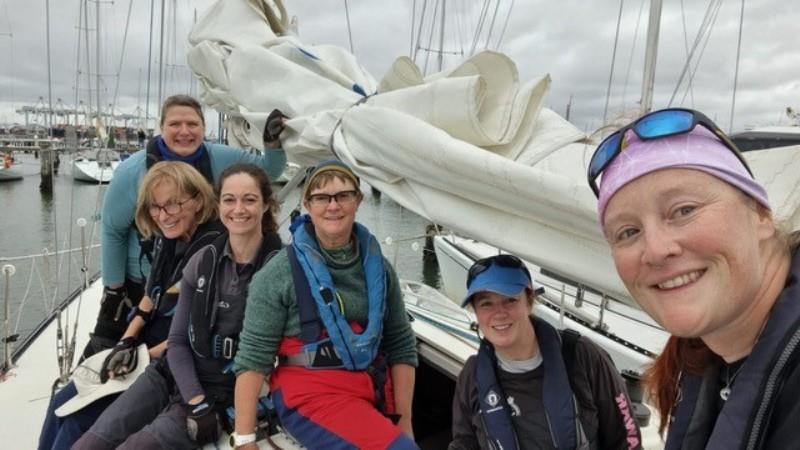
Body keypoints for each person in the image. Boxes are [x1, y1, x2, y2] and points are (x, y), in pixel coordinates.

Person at [588, 107, 800, 449]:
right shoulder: (701, 366)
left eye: (683, 210)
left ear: (760, 214)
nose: (655, 250)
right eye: (628, 232)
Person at [73, 163, 283, 449]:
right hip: (170, 375)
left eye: (250, 199)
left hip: (219, 390)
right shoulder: (202, 261)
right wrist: (193, 399)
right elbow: (179, 340)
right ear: (219, 204)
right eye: (229, 200)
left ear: (266, 205)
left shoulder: (279, 270)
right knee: (89, 444)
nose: (238, 209)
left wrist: (204, 405)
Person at [231, 160, 418, 449]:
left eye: (343, 195)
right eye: (321, 197)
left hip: (369, 387)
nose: (333, 206)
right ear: (307, 204)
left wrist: (405, 421)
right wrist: (244, 439)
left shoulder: (380, 269)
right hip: (311, 394)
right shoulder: (277, 275)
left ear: (359, 200)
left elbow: (400, 344)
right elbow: (253, 358)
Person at [38, 161, 224, 450]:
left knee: (76, 420)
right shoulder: (168, 240)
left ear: (198, 201)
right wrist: (126, 342)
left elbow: (196, 332)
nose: (163, 216)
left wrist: (141, 357)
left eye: (173, 205)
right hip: (141, 349)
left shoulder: (213, 251)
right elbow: (151, 297)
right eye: (155, 207)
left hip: (167, 358)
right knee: (60, 402)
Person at [87, 94, 287, 359]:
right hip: (141, 281)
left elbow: (267, 171)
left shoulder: (220, 158)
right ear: (161, 127)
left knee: (169, 344)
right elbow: (113, 230)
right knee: (101, 353)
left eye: (192, 124)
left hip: (195, 277)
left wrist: (272, 141)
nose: (184, 131)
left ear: (204, 129)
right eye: (175, 124)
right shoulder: (131, 173)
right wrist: (115, 289)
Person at [449, 254, 642, 450]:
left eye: (510, 300)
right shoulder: (472, 376)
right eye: (486, 303)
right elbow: (464, 443)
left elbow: (627, 439)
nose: (499, 313)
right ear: (475, 311)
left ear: (529, 301)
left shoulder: (581, 355)